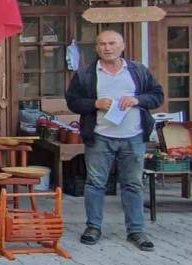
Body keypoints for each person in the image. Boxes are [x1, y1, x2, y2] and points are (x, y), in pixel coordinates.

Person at [65, 30, 164, 251]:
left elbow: (157, 96)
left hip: (133, 136)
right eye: (102, 44)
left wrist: (137, 100)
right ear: (96, 48)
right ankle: (93, 227)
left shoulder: (138, 71)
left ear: (122, 46)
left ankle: (136, 230)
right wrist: (95, 104)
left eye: (112, 43)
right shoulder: (86, 74)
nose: (107, 48)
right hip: (100, 137)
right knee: (95, 183)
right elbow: (72, 102)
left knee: (133, 184)